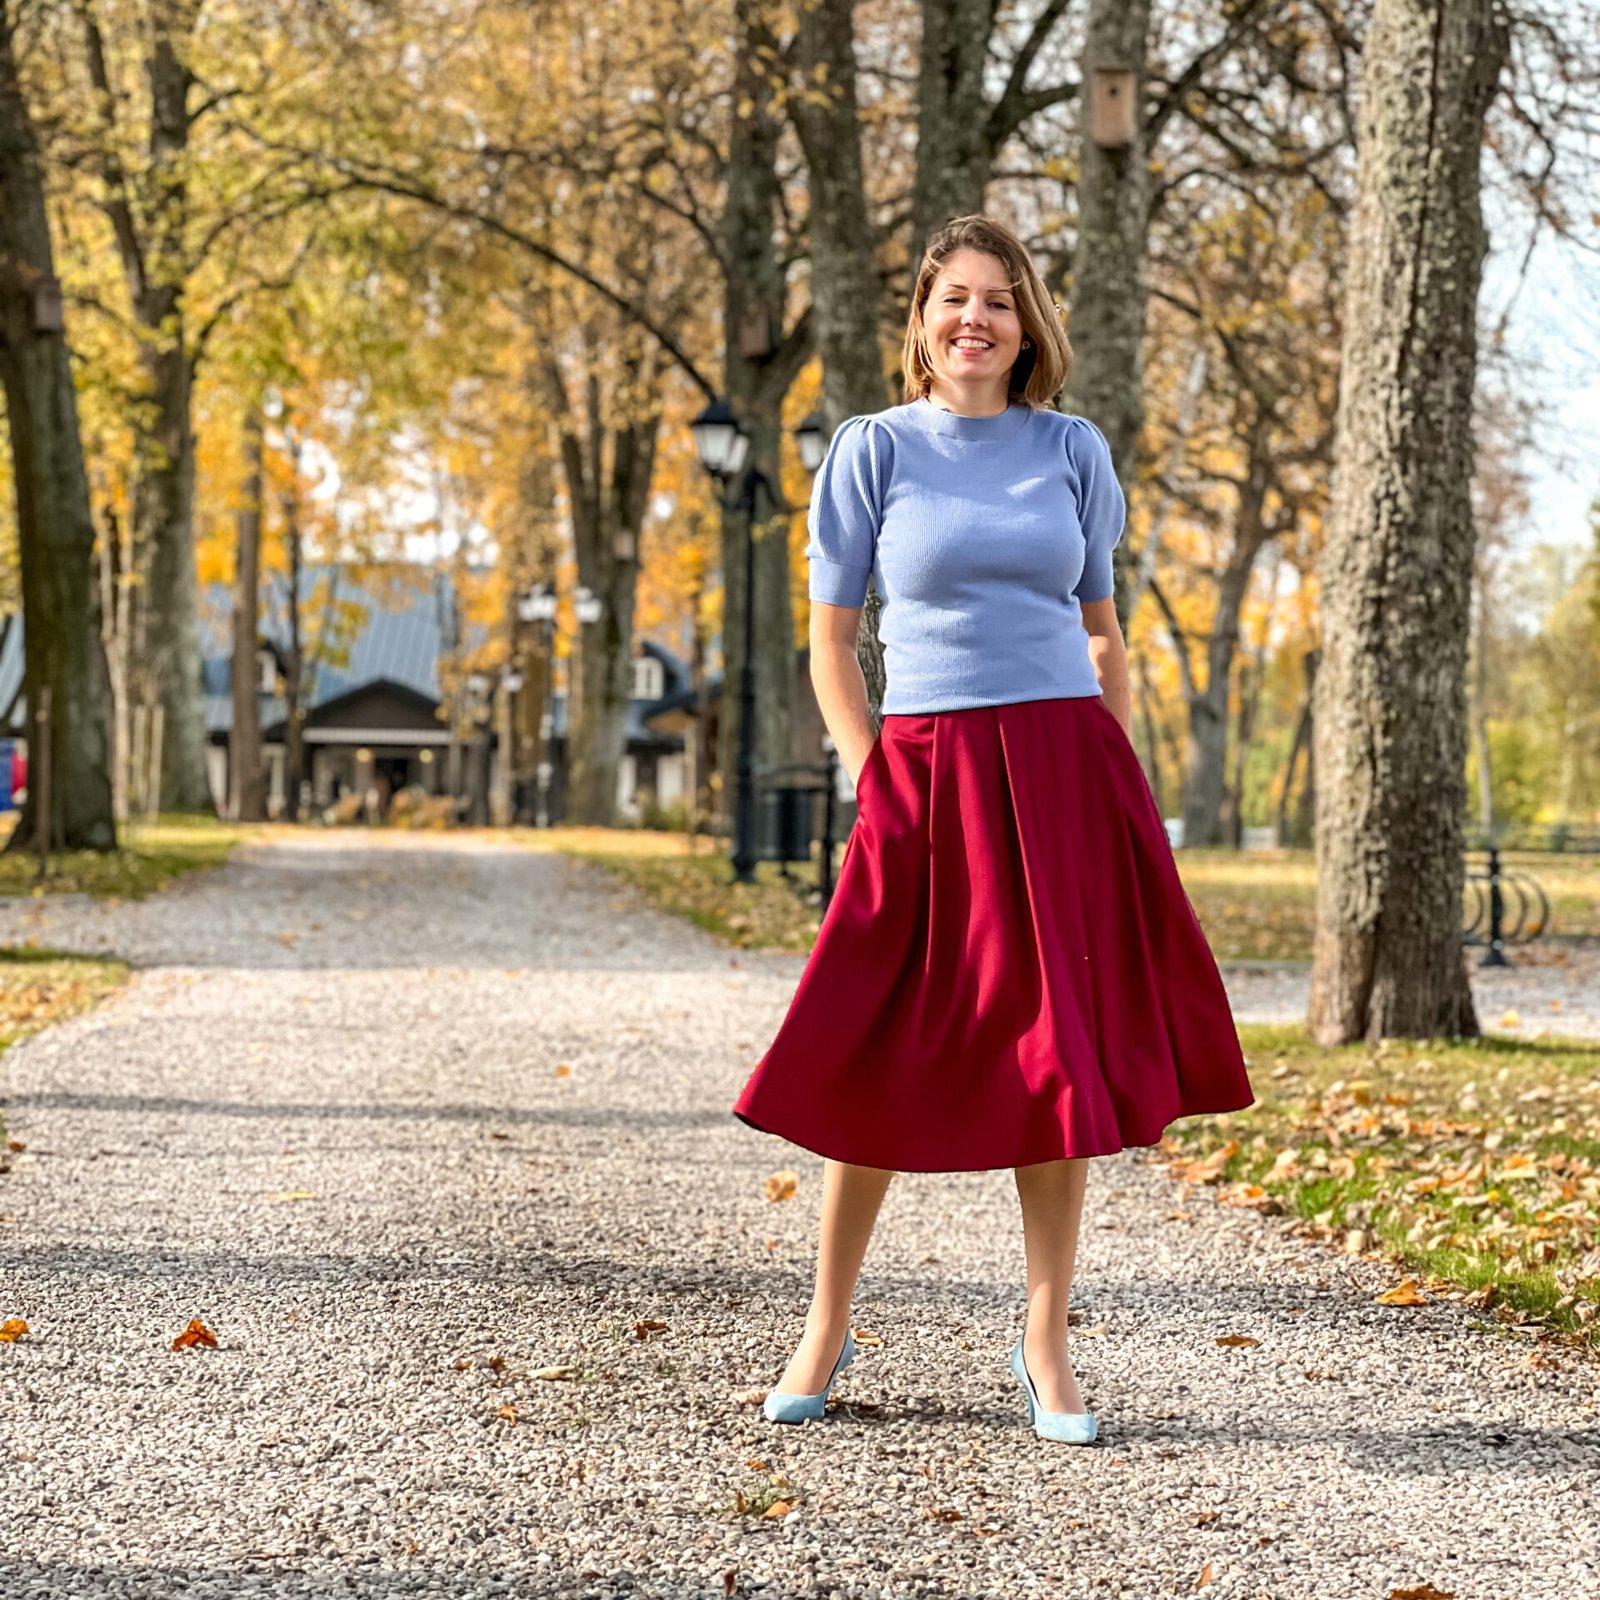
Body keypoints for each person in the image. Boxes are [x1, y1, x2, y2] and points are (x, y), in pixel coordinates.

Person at [732, 214, 1255, 1443]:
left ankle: (1043, 1338)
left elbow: (1100, 632)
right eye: (955, 299)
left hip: (1064, 770)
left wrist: (1111, 778)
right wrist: (873, 776)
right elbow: (829, 639)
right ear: (921, 321)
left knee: (1054, 1053)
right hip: (924, 768)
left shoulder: (1072, 450)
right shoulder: (871, 451)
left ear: (1029, 326)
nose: (976, 319)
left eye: (1000, 302)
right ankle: (825, 1320)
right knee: (874, 1038)